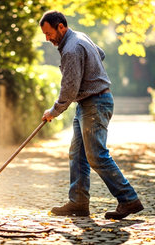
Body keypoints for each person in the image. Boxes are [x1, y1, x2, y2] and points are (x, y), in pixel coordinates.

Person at [39, 10, 143, 219]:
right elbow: (100, 53)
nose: (47, 38)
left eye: (49, 33)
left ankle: (128, 198)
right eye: (45, 35)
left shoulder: (71, 48)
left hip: (95, 103)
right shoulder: (80, 37)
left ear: (61, 26)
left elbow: (69, 89)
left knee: (96, 155)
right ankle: (78, 203)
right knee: (77, 153)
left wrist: (54, 111)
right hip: (87, 103)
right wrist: (91, 69)